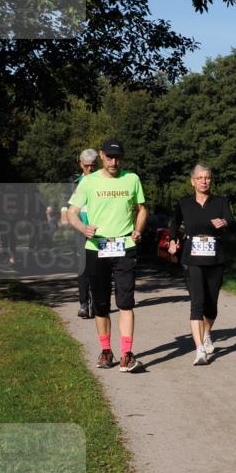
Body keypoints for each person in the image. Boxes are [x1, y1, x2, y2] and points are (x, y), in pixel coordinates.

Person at [67, 139, 148, 372]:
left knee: (125, 302)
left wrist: (138, 229)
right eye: (110, 157)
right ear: (101, 155)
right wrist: (83, 228)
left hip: (124, 246)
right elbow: (72, 212)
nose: (114, 162)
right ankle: (106, 351)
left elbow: (142, 208)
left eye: (118, 157)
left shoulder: (132, 179)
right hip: (97, 247)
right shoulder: (88, 181)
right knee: (100, 304)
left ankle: (127, 354)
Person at [168, 164, 236, 366]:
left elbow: (235, 226)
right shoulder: (184, 203)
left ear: (211, 180)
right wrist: (172, 240)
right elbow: (174, 223)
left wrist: (225, 223)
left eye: (207, 178)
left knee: (211, 305)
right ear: (193, 182)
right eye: (199, 178)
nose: (204, 181)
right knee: (197, 303)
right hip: (192, 259)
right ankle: (199, 349)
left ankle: (207, 333)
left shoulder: (220, 202)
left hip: (215, 259)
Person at [61, 149, 99, 318]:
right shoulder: (74, 181)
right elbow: (65, 200)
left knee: (98, 267)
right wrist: (64, 214)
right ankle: (83, 303)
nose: (90, 169)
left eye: (93, 165)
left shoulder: (103, 180)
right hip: (81, 228)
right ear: (80, 164)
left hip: (100, 229)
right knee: (82, 266)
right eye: (86, 166)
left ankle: (97, 301)